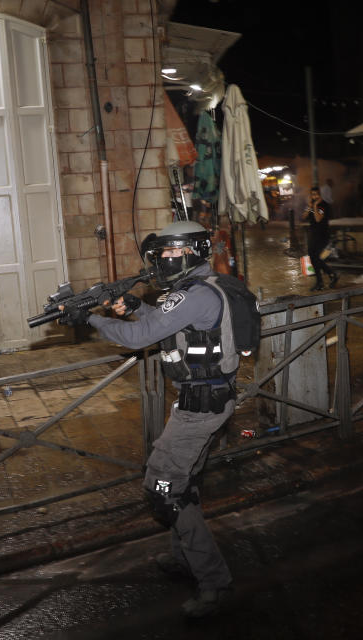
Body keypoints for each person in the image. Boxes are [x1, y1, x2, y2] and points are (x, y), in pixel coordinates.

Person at [61, 221, 238, 618]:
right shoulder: (204, 287)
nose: (163, 260)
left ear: (193, 251)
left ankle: (214, 582)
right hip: (206, 401)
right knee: (183, 484)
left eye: (171, 253)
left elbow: (140, 338)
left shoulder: (193, 294)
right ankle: (185, 559)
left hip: (199, 410)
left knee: (162, 489)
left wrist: (89, 319)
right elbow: (170, 323)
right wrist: (138, 308)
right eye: (161, 253)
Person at [301, 186, 338, 291]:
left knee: (317, 258)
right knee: (313, 257)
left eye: (316, 194)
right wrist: (309, 207)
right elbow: (304, 216)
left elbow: (318, 219)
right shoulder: (311, 205)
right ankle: (323, 280)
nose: (314, 196)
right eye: (312, 194)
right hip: (314, 235)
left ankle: (328, 276)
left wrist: (315, 206)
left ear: (320, 195)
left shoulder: (323, 206)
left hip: (322, 235)